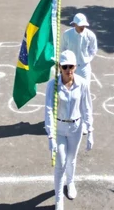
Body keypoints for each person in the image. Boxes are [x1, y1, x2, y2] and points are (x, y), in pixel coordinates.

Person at [44, 50, 93, 210]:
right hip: (59, 128)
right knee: (61, 163)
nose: (68, 70)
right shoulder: (53, 85)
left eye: (71, 66)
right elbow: (49, 109)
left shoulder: (82, 83)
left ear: (75, 66)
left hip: (76, 128)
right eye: (64, 67)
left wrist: (90, 130)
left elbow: (87, 107)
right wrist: (50, 135)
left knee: (71, 159)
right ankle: (59, 199)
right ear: (59, 67)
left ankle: (70, 183)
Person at [61, 13, 98, 90]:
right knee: (69, 88)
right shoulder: (67, 34)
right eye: (80, 25)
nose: (82, 27)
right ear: (75, 24)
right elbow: (63, 49)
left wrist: (87, 59)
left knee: (85, 89)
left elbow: (93, 50)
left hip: (84, 67)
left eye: (84, 25)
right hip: (70, 67)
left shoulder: (90, 35)